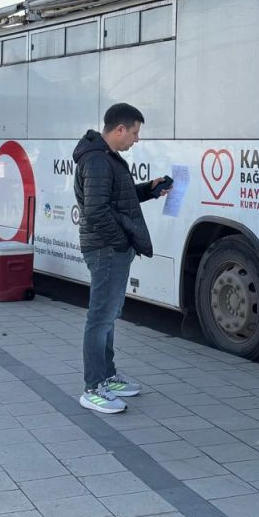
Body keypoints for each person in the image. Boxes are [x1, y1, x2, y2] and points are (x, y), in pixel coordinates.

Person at [73, 103, 171, 413]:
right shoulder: (98, 161)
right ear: (119, 130)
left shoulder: (107, 158)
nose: (136, 139)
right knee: (100, 318)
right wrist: (120, 242)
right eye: (135, 132)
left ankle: (107, 375)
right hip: (105, 250)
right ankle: (93, 387)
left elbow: (118, 198)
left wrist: (149, 190)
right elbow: (97, 211)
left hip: (110, 248)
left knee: (109, 315)